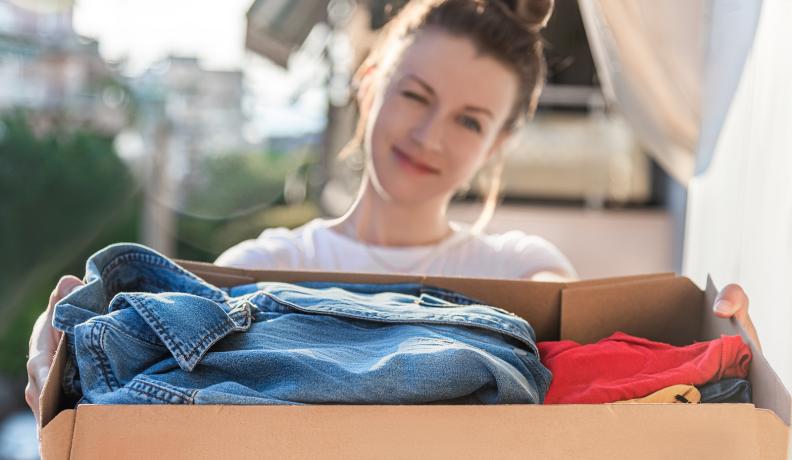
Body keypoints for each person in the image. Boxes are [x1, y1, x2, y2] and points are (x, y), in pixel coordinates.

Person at [25, 0, 760, 429]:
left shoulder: (519, 271)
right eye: (415, 96)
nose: (429, 136)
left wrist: (702, 337)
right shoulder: (271, 265)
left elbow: (594, 362)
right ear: (371, 83)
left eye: (471, 122)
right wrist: (62, 334)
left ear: (498, 145)